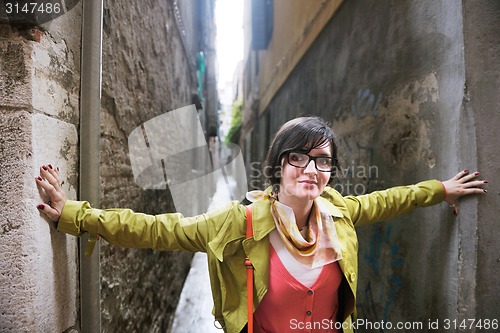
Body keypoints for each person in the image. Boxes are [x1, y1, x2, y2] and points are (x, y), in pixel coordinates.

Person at [35, 117, 487, 333]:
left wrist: (442, 189)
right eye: (298, 157)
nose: (311, 169)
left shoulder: (338, 213)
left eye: (323, 161)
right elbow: (157, 228)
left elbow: (388, 200)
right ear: (278, 165)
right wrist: (75, 215)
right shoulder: (242, 223)